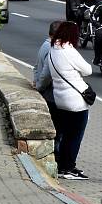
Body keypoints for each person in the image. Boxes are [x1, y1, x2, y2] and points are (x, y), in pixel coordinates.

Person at [48, 21, 93, 180]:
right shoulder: (68, 50)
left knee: (66, 134)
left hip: (60, 98)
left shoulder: (53, 49)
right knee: (75, 135)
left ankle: (61, 165)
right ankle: (69, 167)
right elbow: (88, 70)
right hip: (75, 101)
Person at [34, 20, 63, 162]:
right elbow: (47, 74)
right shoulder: (52, 49)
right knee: (58, 130)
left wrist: (36, 83)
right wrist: (40, 87)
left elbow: (36, 68)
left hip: (46, 93)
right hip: (51, 95)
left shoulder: (44, 46)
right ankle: (56, 159)